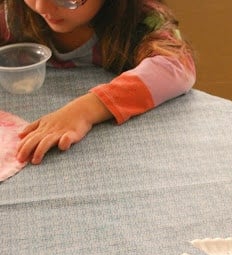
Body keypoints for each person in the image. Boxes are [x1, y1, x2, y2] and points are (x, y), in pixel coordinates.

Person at [0, 0, 195, 164]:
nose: (42, 7)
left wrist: (86, 109)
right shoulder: (11, 13)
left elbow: (177, 66)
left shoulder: (142, 20)